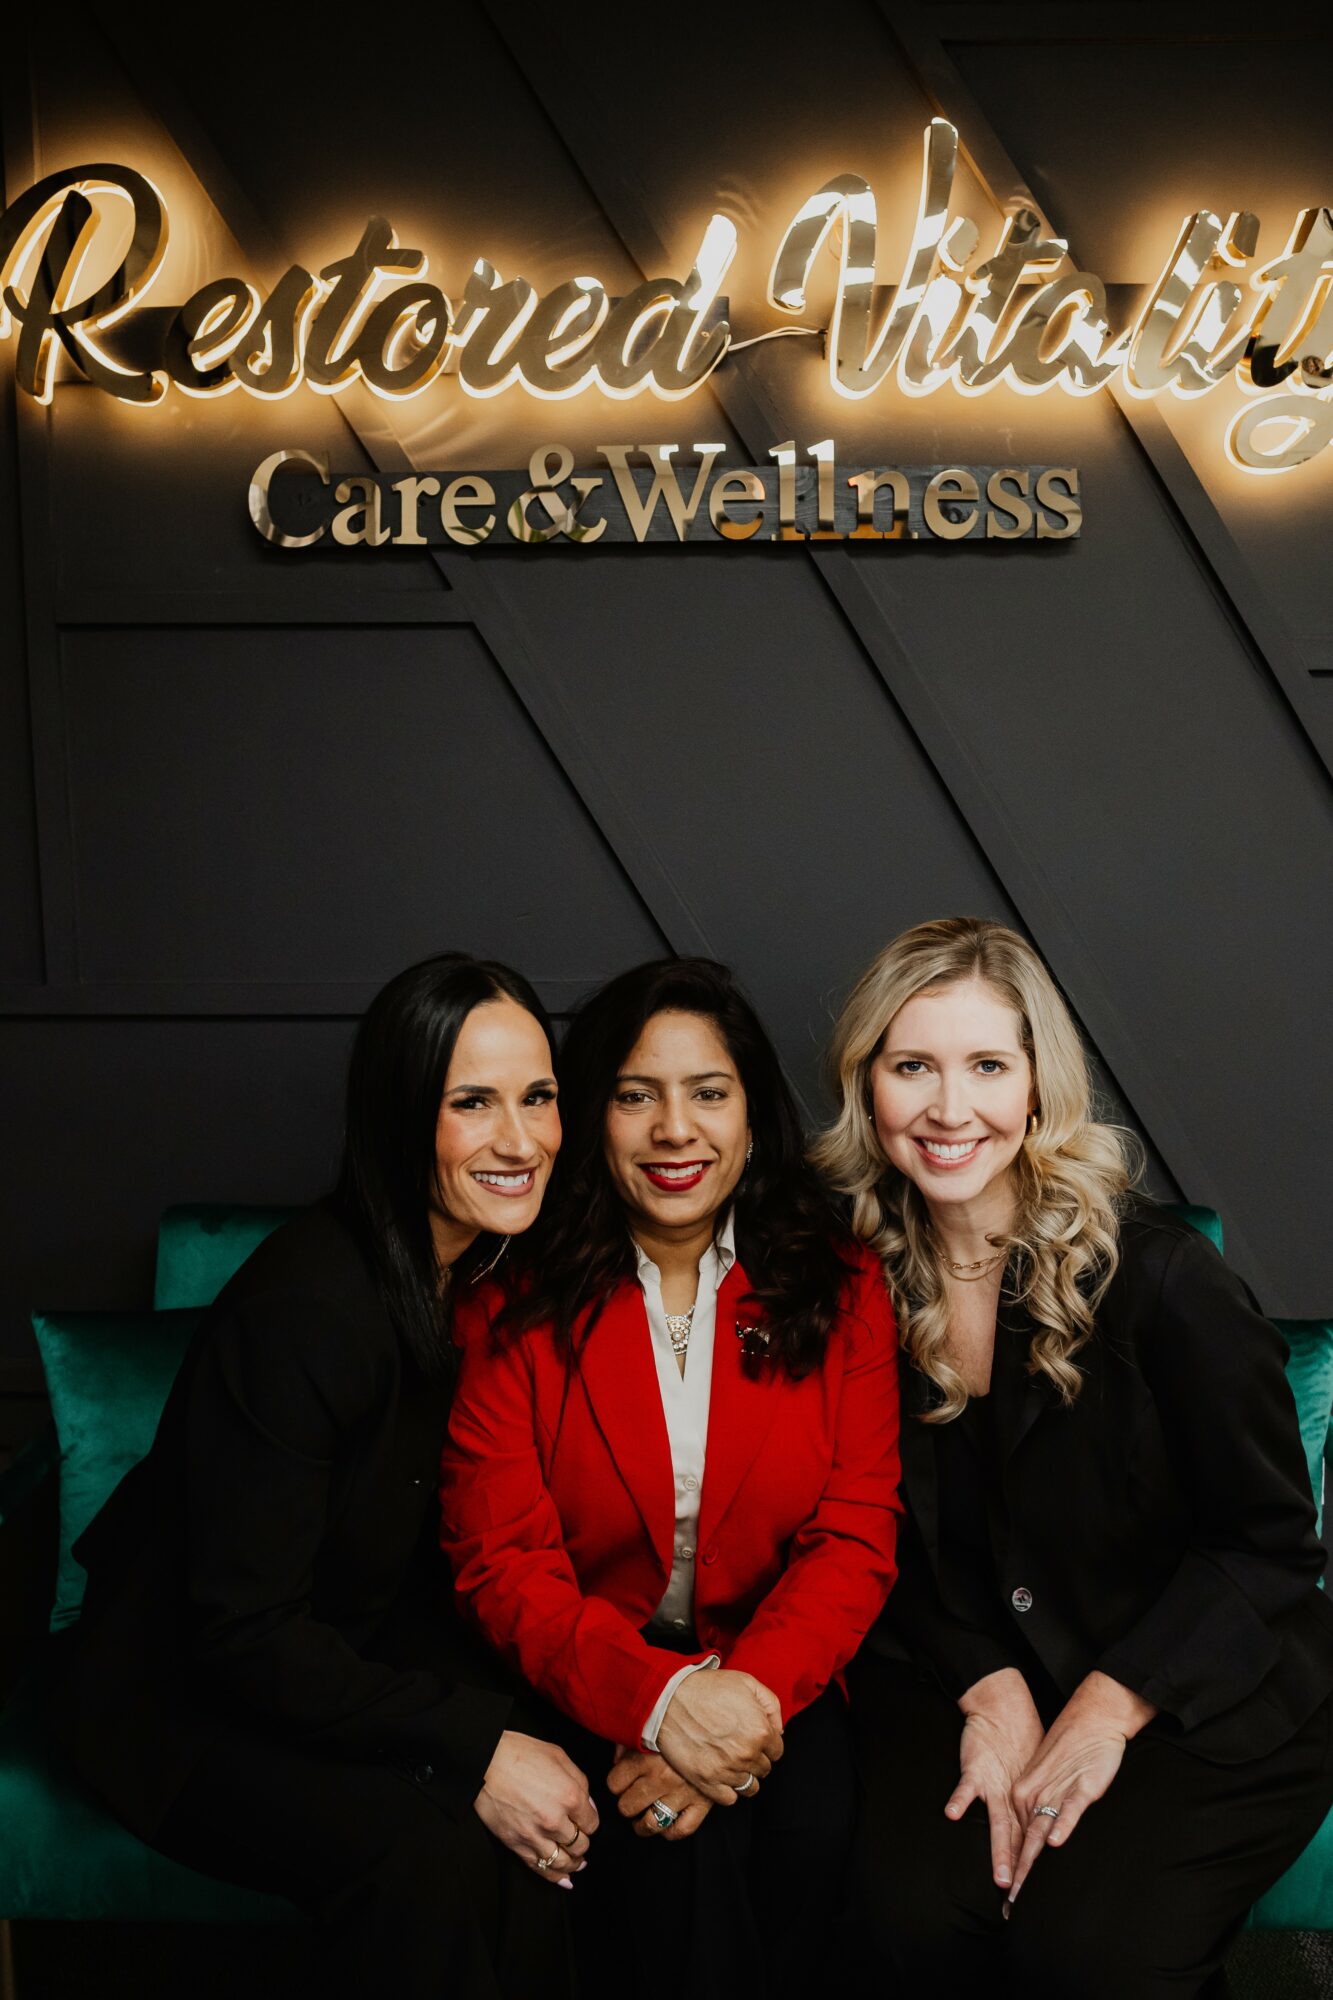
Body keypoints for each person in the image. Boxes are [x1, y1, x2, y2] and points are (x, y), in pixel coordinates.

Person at [50, 953, 593, 2000]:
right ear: (397, 1117)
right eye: (471, 1103)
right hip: (182, 1706)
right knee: (423, 1851)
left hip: (334, 1653)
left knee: (542, 1809)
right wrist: (475, 1746)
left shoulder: (474, 1264)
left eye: (537, 1096)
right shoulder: (313, 1309)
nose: (521, 1140)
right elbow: (242, 1631)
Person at [813, 916, 1333, 1998]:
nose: (948, 1108)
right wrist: (988, 1687)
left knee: (1089, 1953)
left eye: (985, 1066)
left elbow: (1269, 1546)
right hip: (959, 1660)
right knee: (908, 1921)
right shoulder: (844, 1281)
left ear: (1039, 1085)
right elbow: (856, 1525)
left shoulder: (1164, 1279)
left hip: (1195, 1680)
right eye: (912, 1067)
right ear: (866, 1085)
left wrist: (1105, 1708)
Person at [439, 957, 901, 2000]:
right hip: (581, 1668)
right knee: (655, 1856)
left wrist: (726, 1714)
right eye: (635, 1095)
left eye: (707, 1092)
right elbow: (500, 1558)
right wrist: (658, 1707)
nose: (673, 1129)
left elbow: (855, 1531)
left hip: (774, 1665)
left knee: (813, 1827)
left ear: (752, 1115)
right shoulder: (508, 1294)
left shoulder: (842, 1282)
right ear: (592, 1119)